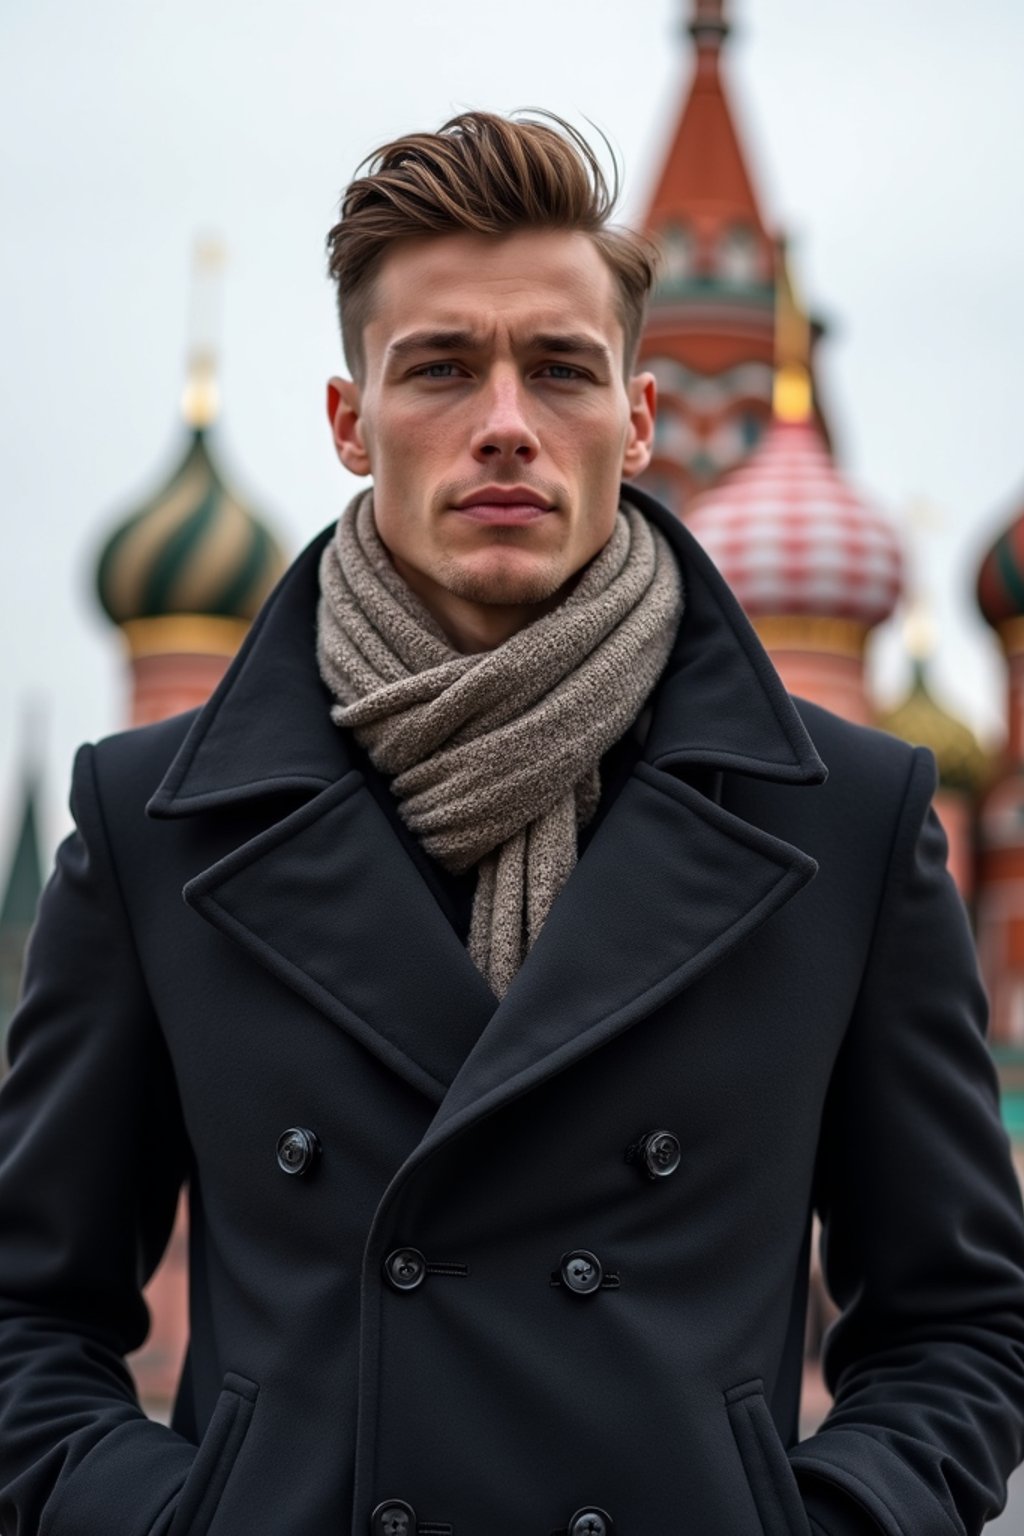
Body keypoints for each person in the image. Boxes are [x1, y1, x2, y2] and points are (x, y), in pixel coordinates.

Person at [0, 111, 1022, 1536]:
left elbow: (964, 1322)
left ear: (640, 418)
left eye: (559, 369)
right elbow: (25, 1317)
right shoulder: (157, 822)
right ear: (350, 422)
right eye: (438, 368)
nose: (503, 424)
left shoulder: (845, 823)